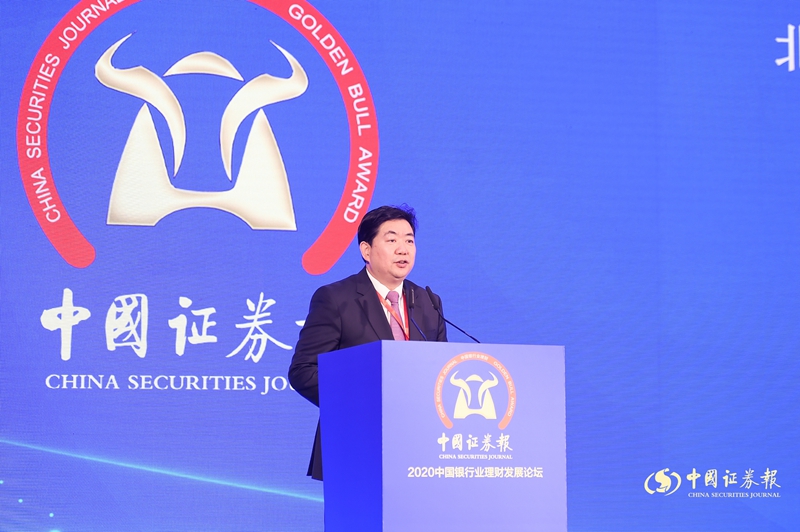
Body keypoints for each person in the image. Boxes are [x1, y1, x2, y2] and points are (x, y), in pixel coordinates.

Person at [288, 205, 447, 480]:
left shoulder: (428, 302)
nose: (403, 249)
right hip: (355, 446)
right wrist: (360, 404)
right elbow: (303, 371)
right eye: (392, 240)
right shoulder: (336, 298)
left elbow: (441, 374)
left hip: (420, 452)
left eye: (409, 241)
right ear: (366, 250)